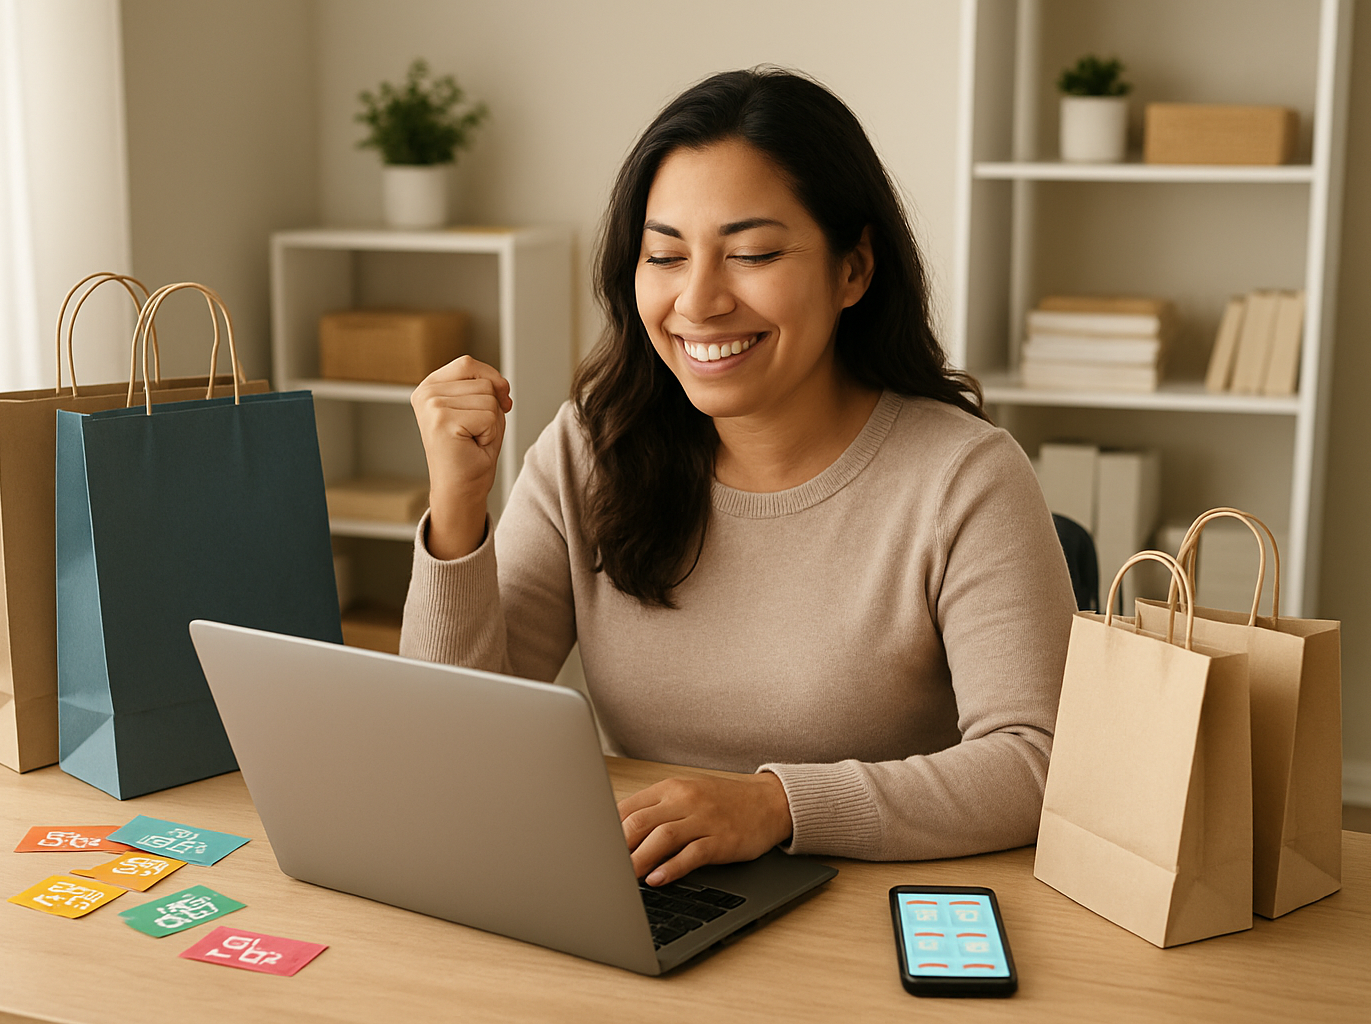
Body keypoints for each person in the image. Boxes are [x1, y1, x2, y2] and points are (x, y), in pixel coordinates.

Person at [403, 67, 1075, 887]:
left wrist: (774, 805)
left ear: (854, 269)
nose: (699, 300)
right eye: (665, 255)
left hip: (873, 914)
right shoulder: (591, 448)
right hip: (651, 892)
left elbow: (1035, 766)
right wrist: (458, 508)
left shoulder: (963, 477)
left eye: (751, 254)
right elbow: (453, 751)